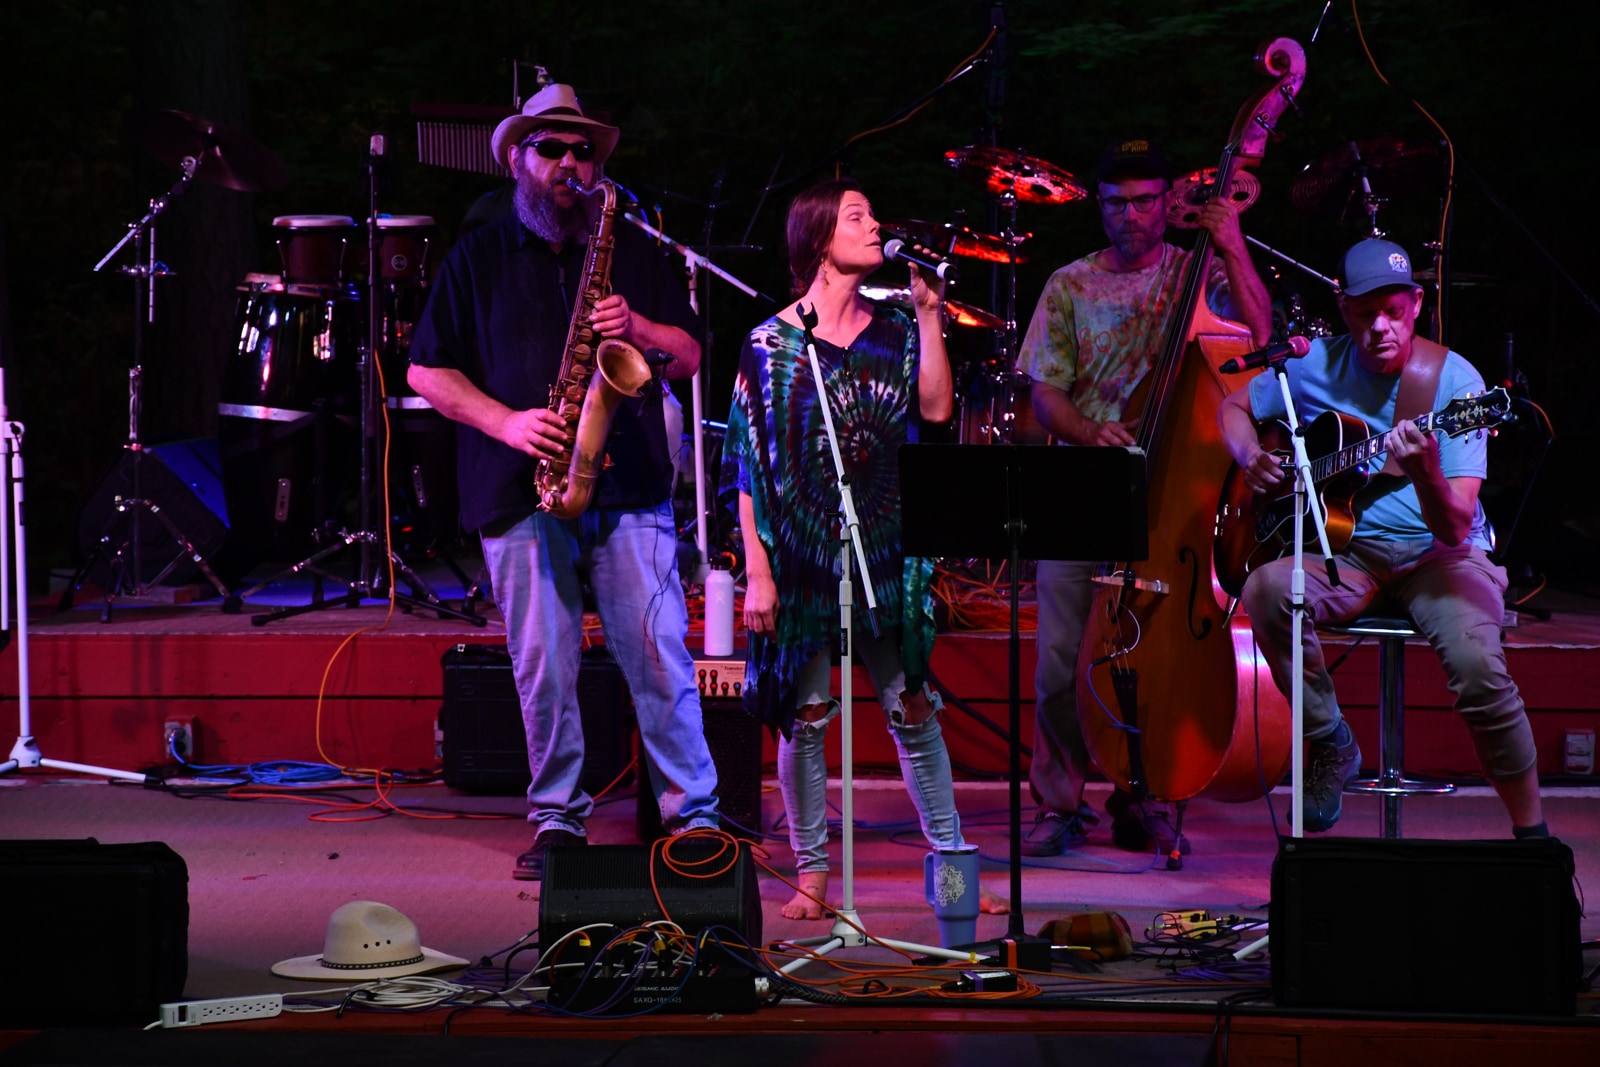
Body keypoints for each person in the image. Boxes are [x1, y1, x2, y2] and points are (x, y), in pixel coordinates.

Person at [407, 83, 720, 879]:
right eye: (552, 148)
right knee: (545, 666)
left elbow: (689, 355)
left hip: (630, 482)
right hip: (523, 487)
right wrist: (508, 423)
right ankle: (557, 819)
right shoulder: (477, 255)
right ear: (519, 159)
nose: (570, 163)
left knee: (659, 656)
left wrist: (636, 327)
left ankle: (695, 818)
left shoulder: (632, 248)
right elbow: (425, 372)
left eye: (584, 151)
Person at [721, 178, 1005, 920]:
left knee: (914, 707)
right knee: (807, 715)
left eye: (874, 214)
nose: (876, 225)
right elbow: (747, 467)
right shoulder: (770, 345)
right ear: (819, 240)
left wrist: (931, 313)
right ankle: (813, 874)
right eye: (858, 217)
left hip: (883, 543)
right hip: (801, 554)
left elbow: (936, 407)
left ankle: (953, 872)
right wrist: (758, 572)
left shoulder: (896, 328)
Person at [1219, 238, 1546, 836]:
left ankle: (1533, 834)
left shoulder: (1455, 385)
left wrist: (1425, 472)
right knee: (1266, 589)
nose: (1380, 327)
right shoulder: (1312, 365)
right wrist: (1249, 458)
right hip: (1346, 550)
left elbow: (1454, 526)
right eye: (1366, 312)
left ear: (1416, 305)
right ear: (1343, 309)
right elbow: (1233, 408)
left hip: (1441, 555)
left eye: (1393, 312)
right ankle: (1329, 738)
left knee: (1478, 670)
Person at [1016, 138, 1273, 857]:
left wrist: (1232, 241)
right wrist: (1086, 429)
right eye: (1115, 204)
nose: (1129, 215)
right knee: (1060, 657)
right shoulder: (1068, 284)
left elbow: (1259, 333)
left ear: (1169, 203)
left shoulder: (1199, 274)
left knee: (1154, 651)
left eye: (1143, 201)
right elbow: (1045, 392)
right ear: (1099, 207)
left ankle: (1144, 793)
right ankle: (1059, 802)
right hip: (1082, 481)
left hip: (1168, 486)